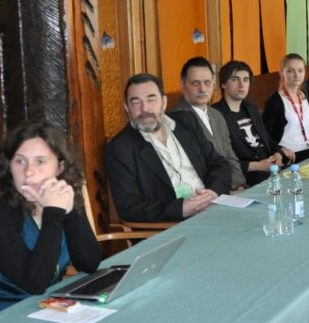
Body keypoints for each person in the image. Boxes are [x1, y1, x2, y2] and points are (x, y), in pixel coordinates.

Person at [0, 123, 101, 319]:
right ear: (9, 166)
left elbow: (89, 263)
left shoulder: (63, 195)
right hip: (2, 319)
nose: (28, 172)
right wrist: (53, 212)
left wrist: (70, 212)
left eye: (40, 161)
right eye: (20, 161)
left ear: (60, 167)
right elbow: (34, 283)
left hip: (49, 309)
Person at [106, 73, 231, 222]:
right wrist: (180, 209)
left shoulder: (187, 122)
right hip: (174, 224)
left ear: (164, 102)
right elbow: (129, 208)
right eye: (136, 102)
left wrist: (213, 192)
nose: (144, 108)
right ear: (127, 108)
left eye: (151, 99)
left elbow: (220, 164)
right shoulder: (121, 149)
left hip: (214, 207)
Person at [170, 56, 246, 190]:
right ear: (182, 84)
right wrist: (222, 192)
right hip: (204, 193)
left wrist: (239, 185)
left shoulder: (216, 115)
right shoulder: (177, 120)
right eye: (195, 83)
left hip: (231, 189)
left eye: (207, 82)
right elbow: (192, 171)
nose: (202, 88)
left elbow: (230, 156)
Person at [213, 60, 291, 186]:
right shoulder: (215, 114)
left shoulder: (250, 108)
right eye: (235, 79)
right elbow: (222, 159)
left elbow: (267, 140)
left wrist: (278, 152)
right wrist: (258, 165)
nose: (241, 85)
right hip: (247, 173)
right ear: (223, 84)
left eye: (246, 80)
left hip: (268, 165)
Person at [262, 53, 309, 163]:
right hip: (289, 155)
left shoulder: (307, 96)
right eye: (290, 71)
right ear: (281, 73)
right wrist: (279, 150)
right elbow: (265, 135)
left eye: (300, 70)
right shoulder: (275, 101)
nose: (296, 75)